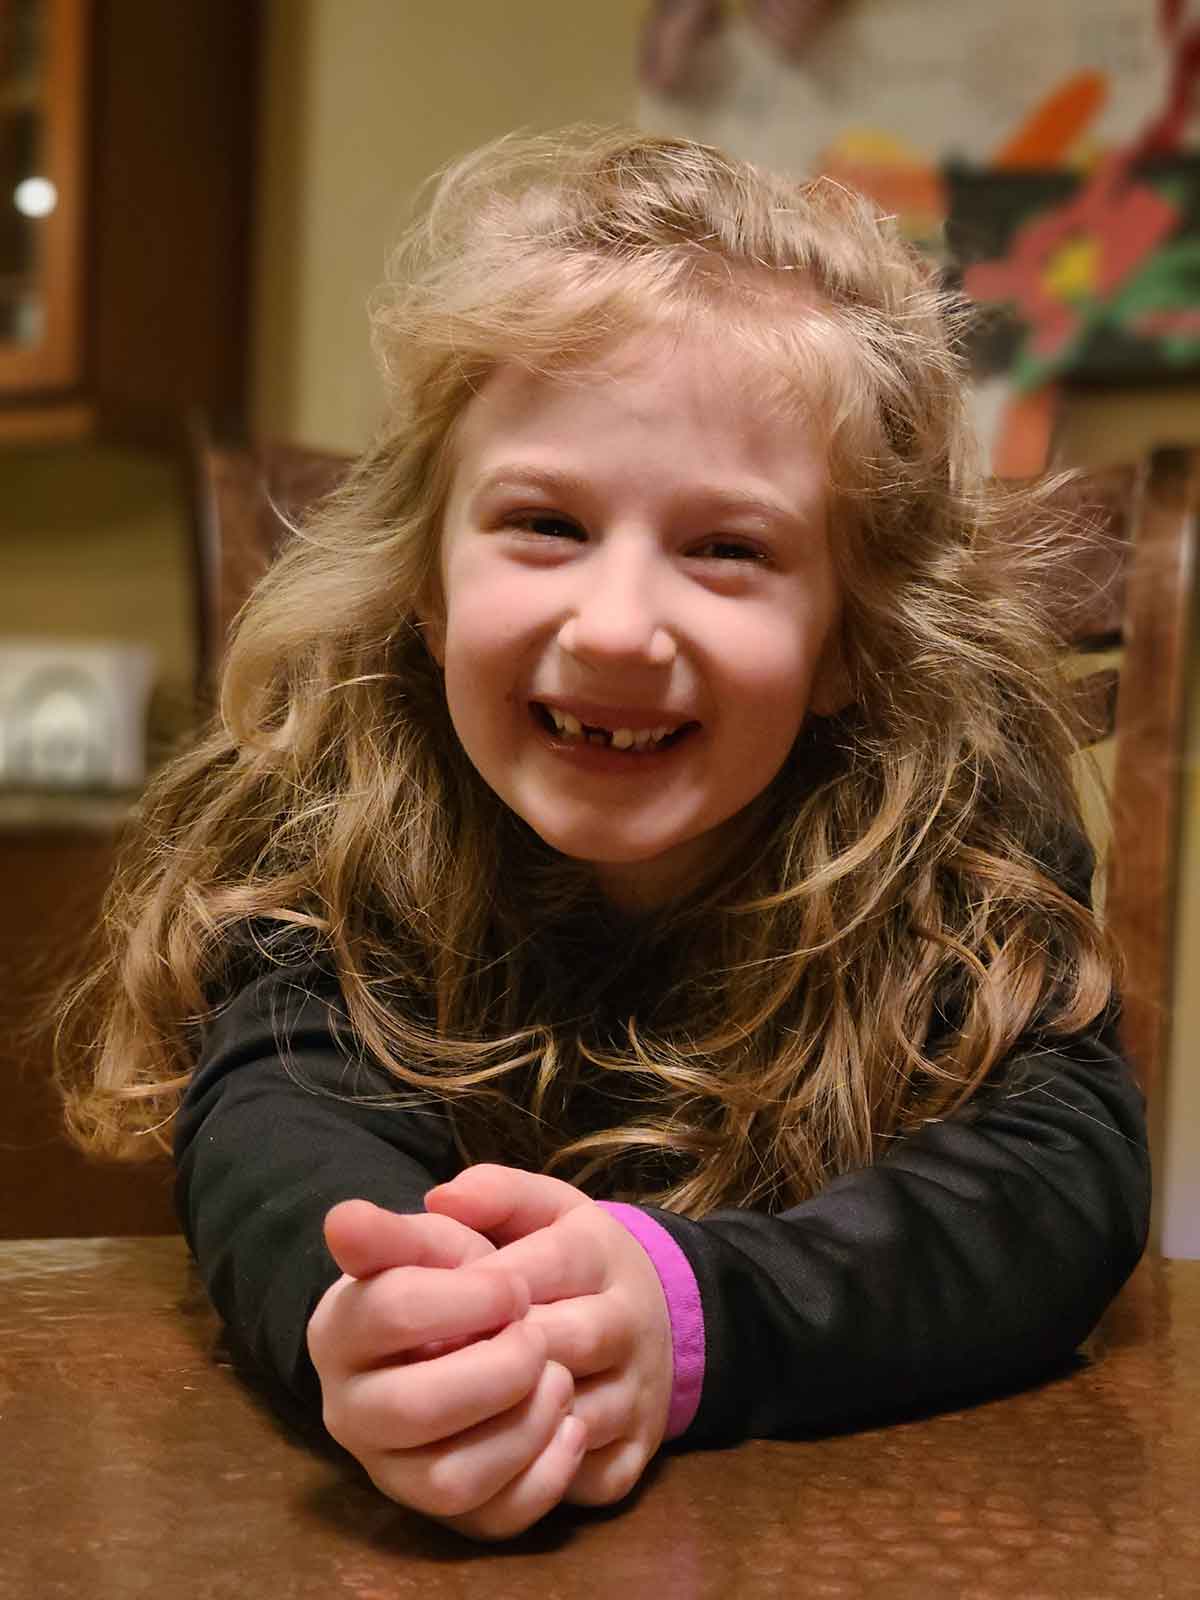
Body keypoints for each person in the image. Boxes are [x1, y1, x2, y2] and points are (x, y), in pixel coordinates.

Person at [57, 127, 1149, 1543]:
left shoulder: (959, 821)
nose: (620, 627)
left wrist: (689, 1315)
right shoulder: (332, 788)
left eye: (729, 549)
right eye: (546, 524)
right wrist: (381, 1317)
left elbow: (1056, 1182)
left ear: (850, 643)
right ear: (429, 587)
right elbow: (278, 1114)